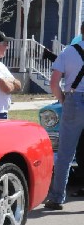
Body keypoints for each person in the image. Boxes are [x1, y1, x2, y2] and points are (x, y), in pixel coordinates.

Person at [44, 22, 84, 210]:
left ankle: (57, 197)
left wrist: (62, 99)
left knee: (66, 152)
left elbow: (53, 82)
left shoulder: (68, 52)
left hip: (74, 99)